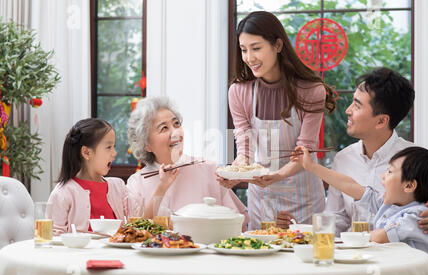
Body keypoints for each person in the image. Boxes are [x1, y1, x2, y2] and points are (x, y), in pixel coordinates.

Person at [293, 67, 428, 275]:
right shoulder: (344, 159)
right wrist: (299, 234)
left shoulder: (418, 165)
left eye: (357, 105)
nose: (347, 110)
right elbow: (341, 215)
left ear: (381, 121)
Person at [217, 11, 337, 230]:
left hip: (304, 198)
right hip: (263, 198)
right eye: (244, 50)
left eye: (256, 48)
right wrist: (234, 173)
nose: (249, 58)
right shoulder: (239, 91)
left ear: (278, 45)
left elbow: (305, 151)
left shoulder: (310, 91)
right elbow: (245, 147)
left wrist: (277, 175)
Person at [294, 146, 428, 256]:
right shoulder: (388, 204)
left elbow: (380, 236)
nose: (383, 176)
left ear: (409, 185)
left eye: (390, 172)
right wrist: (311, 166)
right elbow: (350, 186)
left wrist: (346, 239)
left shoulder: (417, 215)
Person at [126, 96, 249, 230]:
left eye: (176, 124)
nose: (175, 132)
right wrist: (162, 187)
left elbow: (238, 223)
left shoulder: (208, 169)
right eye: (164, 128)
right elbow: (135, 233)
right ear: (146, 144)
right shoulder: (137, 183)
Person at [47, 118, 141, 235]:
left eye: (114, 146)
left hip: (117, 253)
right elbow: (53, 238)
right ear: (86, 152)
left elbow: (137, 223)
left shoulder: (118, 187)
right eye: (108, 147)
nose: (114, 153)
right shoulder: (63, 193)